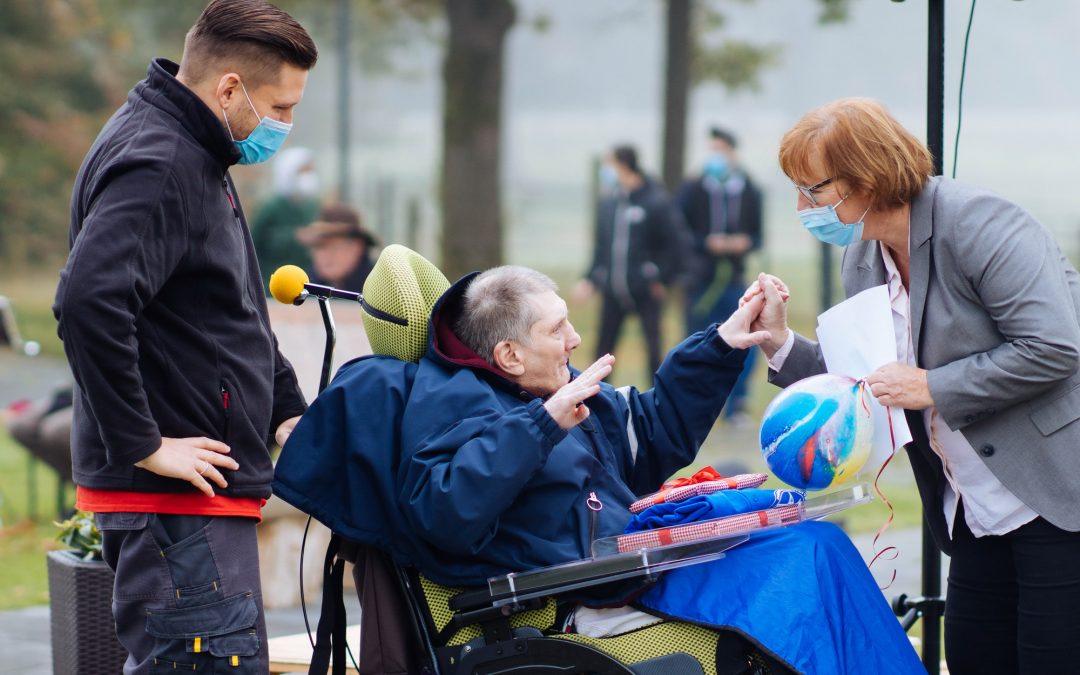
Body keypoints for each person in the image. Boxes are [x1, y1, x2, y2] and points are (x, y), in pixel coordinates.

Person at [395, 265, 922, 673]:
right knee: (808, 557)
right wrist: (543, 425)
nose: (575, 339)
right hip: (580, 592)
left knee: (818, 542)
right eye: (557, 329)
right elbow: (446, 513)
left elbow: (648, 433)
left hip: (635, 561)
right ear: (509, 355)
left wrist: (721, 346)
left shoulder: (546, 389)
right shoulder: (463, 410)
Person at [751, 96, 1080, 673]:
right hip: (972, 507)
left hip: (1056, 493)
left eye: (814, 190)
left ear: (867, 180)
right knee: (975, 657)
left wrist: (934, 386)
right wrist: (779, 342)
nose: (803, 207)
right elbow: (862, 381)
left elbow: (1054, 347)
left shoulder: (981, 224)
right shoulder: (862, 256)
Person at [52, 1, 316, 672]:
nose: (285, 126)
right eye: (280, 108)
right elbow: (87, 302)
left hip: (197, 500)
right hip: (174, 504)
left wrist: (286, 407)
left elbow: (222, 310)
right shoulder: (162, 160)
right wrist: (144, 444)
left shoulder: (195, 149)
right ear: (230, 88)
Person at [575, 145, 683, 382]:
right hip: (612, 290)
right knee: (603, 351)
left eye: (610, 165)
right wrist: (590, 278)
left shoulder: (656, 201)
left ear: (623, 165)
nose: (607, 172)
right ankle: (595, 401)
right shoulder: (609, 203)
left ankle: (657, 400)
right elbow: (601, 248)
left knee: (653, 349)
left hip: (646, 290)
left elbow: (675, 246)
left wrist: (658, 276)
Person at [678, 126, 763, 425]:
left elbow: (757, 235)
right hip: (699, 280)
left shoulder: (749, 189)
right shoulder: (693, 188)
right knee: (696, 341)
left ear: (732, 153)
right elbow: (680, 232)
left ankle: (737, 404)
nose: (715, 156)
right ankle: (692, 403)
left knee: (744, 339)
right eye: (711, 149)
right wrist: (706, 243)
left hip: (734, 280)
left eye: (721, 150)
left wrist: (743, 243)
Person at [250, 146, 321, 290]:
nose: (308, 177)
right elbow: (255, 241)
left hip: (304, 280)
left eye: (310, 171)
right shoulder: (271, 206)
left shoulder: (313, 205)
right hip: (272, 280)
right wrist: (293, 236)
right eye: (303, 171)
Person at [295, 204, 379, 292]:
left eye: (335, 248)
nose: (326, 255)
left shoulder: (379, 289)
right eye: (319, 247)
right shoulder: (306, 286)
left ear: (358, 248)